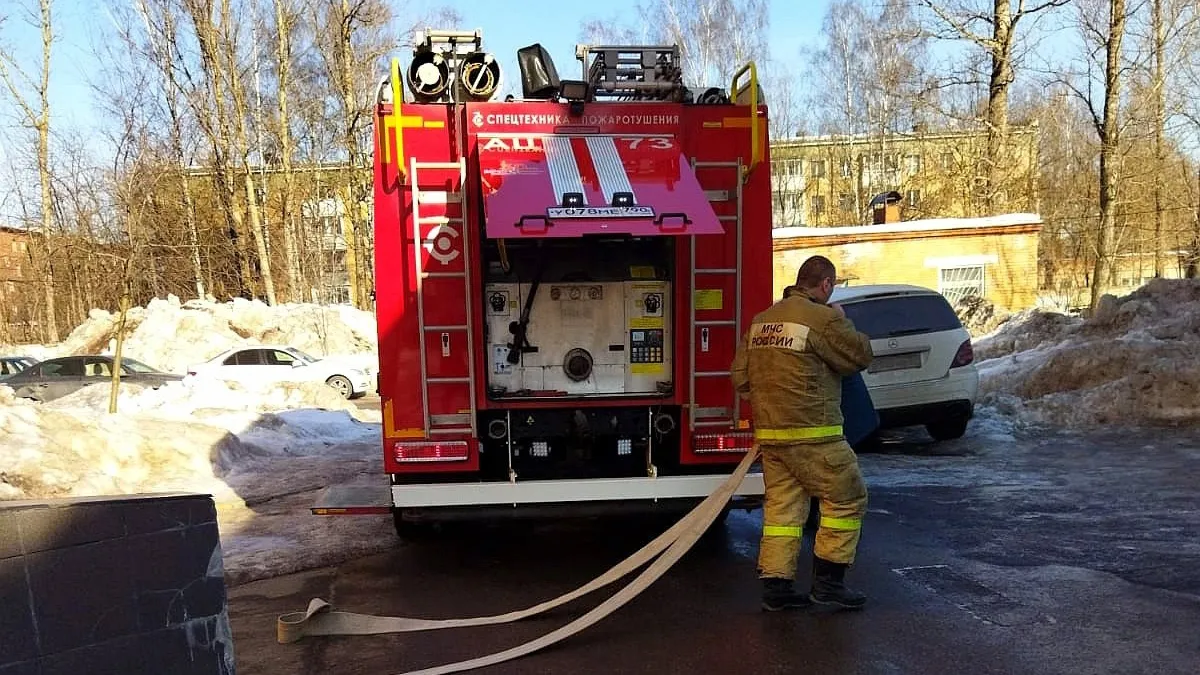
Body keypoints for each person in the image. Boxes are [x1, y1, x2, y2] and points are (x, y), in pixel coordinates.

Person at [730, 255, 875, 612]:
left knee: (783, 512)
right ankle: (829, 585)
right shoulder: (823, 319)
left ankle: (776, 590)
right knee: (846, 499)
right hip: (817, 436)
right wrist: (842, 319)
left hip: (774, 439)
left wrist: (772, 406)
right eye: (832, 286)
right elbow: (859, 356)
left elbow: (741, 378)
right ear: (825, 285)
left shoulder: (763, 320)